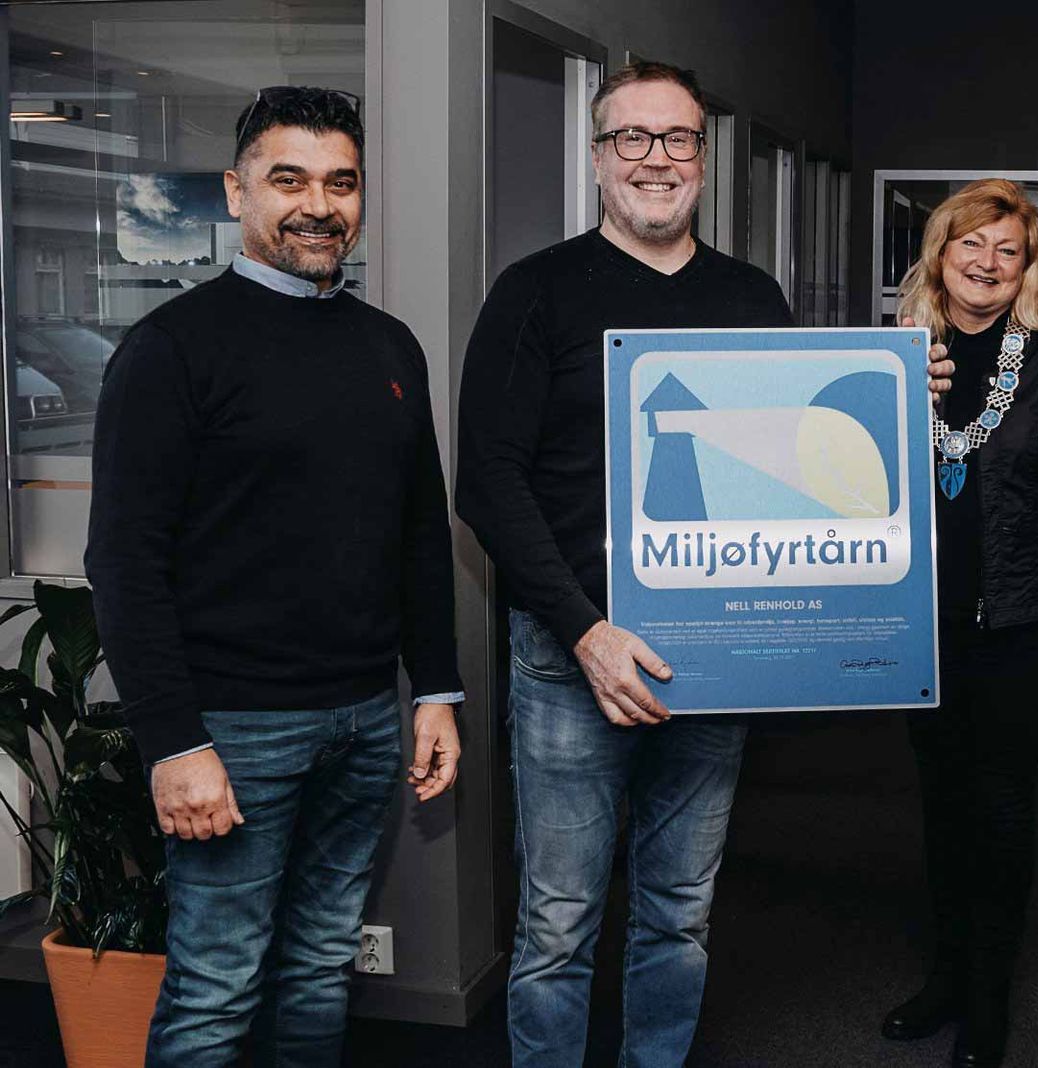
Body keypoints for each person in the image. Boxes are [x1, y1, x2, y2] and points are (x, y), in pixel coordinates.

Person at [455, 60, 952, 1067]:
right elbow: (488, 484)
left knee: (678, 911)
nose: (656, 159)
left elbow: (794, 462)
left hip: (712, 658)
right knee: (556, 924)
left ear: (702, 158)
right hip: (572, 653)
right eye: (631, 138)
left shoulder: (749, 296)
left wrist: (906, 395)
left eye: (677, 138)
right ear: (598, 159)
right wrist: (585, 631)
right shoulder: (534, 293)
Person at [86, 86, 464, 1066]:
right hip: (234, 731)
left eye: (341, 182)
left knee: (315, 974)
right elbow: (122, 561)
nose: (318, 205)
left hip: (364, 722)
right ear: (236, 190)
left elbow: (421, 530)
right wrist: (173, 744)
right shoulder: (173, 349)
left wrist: (436, 689)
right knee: (215, 988)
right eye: (287, 178)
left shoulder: (388, 345)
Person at [878, 179, 1038, 1068]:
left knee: (1000, 806)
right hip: (923, 621)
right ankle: (946, 974)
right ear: (940, 253)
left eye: (1005, 250)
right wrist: (902, 394)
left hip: (1024, 624)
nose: (985, 263)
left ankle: (989, 998)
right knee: (941, 803)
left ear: (1028, 265)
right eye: (968, 245)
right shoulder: (897, 354)